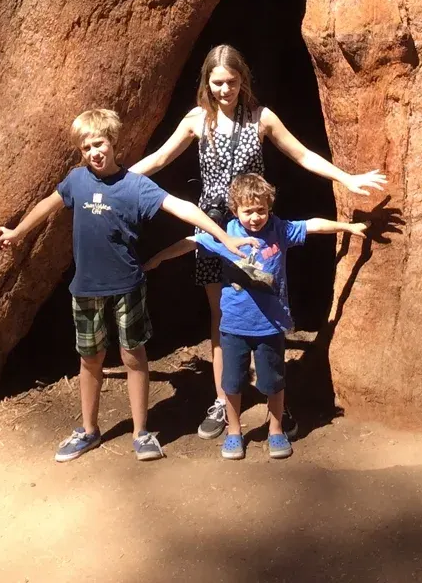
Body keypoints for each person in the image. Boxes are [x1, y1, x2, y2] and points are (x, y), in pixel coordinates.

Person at [130, 43, 387, 440]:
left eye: (231, 82)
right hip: (216, 228)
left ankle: (274, 407)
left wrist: (345, 178)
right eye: (217, 82)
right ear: (206, 82)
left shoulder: (261, 118)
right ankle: (222, 398)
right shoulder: (197, 120)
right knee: (223, 316)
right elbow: (160, 159)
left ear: (242, 80)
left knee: (265, 307)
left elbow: (302, 155)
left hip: (257, 226)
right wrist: (116, 181)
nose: (224, 90)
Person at [0, 107, 255, 463]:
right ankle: (88, 429)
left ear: (113, 142)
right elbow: (48, 205)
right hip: (85, 288)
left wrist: (224, 237)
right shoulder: (76, 181)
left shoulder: (135, 185)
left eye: (98, 144)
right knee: (90, 360)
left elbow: (180, 207)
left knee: (134, 357)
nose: (94, 153)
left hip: (127, 287)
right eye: (86, 148)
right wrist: (17, 232)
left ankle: (141, 432)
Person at [144, 172, 367, 459]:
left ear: (269, 208)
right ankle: (234, 431)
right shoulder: (227, 235)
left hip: (270, 325)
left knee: (273, 382)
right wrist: (159, 257)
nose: (255, 217)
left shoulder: (279, 231)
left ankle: (276, 429)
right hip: (234, 325)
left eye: (261, 210)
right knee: (233, 382)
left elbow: (312, 226)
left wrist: (347, 227)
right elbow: (192, 241)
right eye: (248, 211)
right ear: (235, 210)